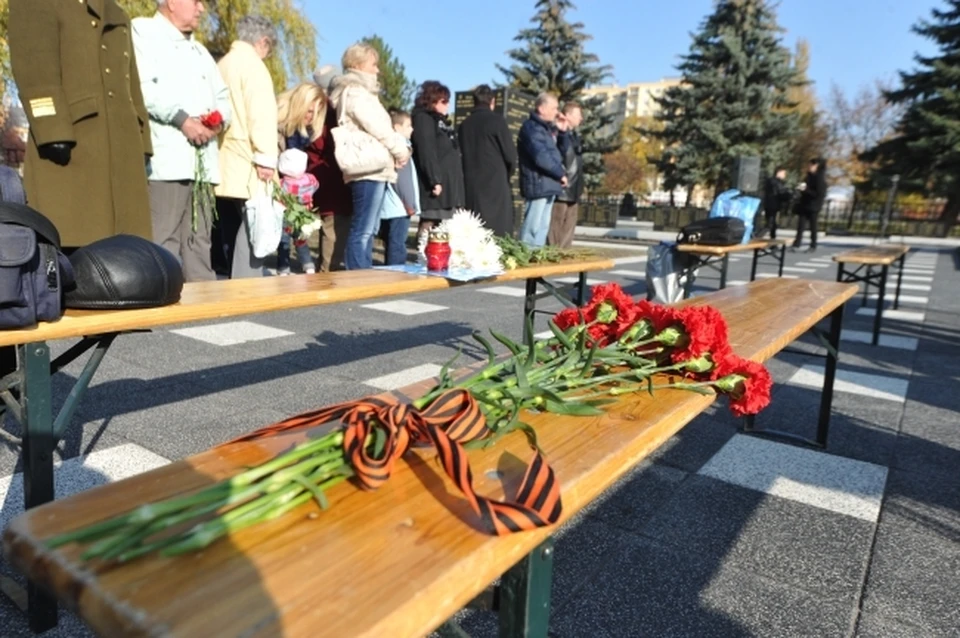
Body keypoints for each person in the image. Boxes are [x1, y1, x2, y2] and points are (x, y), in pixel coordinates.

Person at [9, 0, 153, 249]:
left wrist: (142, 138)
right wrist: (52, 127)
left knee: (129, 248)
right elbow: (34, 67)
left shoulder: (116, 11)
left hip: (122, 142)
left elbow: (132, 86)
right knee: (70, 240)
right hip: (72, 144)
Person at [133, 0, 232, 281]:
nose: (201, 9)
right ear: (172, 2)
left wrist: (217, 121)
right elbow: (142, 87)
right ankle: (158, 304)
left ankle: (204, 313)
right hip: (167, 159)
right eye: (196, 1)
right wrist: (183, 120)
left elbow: (224, 98)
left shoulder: (200, 51)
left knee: (200, 242)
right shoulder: (143, 32)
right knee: (162, 239)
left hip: (202, 163)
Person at [328, 43, 410, 270]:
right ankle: (358, 276)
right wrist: (400, 150)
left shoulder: (360, 93)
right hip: (368, 168)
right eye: (373, 64)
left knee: (368, 228)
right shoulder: (356, 92)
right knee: (363, 229)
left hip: (374, 168)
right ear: (357, 64)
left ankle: (362, 273)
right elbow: (379, 128)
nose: (377, 70)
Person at [215, 15, 278, 279]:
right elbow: (260, 115)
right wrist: (266, 157)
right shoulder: (253, 67)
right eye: (269, 49)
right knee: (254, 225)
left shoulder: (223, 63)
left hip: (223, 156)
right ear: (262, 41)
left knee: (230, 223)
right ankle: (246, 281)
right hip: (248, 156)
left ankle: (228, 276)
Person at [276, 83, 326, 274]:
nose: (311, 117)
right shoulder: (278, 123)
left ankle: (302, 264)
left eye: (315, 113)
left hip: (292, 193)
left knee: (298, 233)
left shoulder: (304, 133)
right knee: (284, 235)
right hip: (275, 183)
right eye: (309, 111)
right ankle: (283, 264)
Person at [309, 67, 354, 272]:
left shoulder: (317, 109)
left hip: (323, 176)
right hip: (333, 178)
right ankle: (327, 275)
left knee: (330, 227)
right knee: (333, 229)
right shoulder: (330, 110)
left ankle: (326, 270)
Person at [457, 84, 517, 237]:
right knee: (497, 231)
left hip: (471, 183)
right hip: (495, 183)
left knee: (476, 230)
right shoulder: (497, 121)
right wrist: (507, 173)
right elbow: (510, 155)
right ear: (492, 101)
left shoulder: (465, 125)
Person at [411, 81, 465, 238]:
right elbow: (426, 150)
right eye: (444, 101)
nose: (448, 105)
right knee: (429, 224)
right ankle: (423, 258)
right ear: (432, 100)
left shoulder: (441, 122)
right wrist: (434, 180)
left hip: (449, 186)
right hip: (434, 187)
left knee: (444, 229)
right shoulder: (424, 119)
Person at [517, 93, 567, 247]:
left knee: (542, 228)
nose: (557, 112)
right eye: (554, 108)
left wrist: (563, 133)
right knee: (532, 227)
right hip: (538, 184)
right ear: (541, 108)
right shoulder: (531, 128)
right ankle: (525, 260)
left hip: (548, 184)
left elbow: (560, 153)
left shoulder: (546, 130)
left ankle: (536, 261)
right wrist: (560, 174)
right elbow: (541, 157)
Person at [379, 110, 420, 265]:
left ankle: (389, 271)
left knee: (391, 241)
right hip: (400, 206)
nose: (412, 129)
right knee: (398, 243)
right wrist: (410, 204)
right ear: (397, 127)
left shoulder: (391, 146)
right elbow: (403, 181)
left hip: (391, 205)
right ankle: (396, 273)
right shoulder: (401, 148)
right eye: (408, 126)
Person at [547, 101, 584, 248]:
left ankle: (563, 256)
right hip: (562, 188)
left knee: (569, 226)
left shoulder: (574, 136)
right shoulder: (557, 133)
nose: (581, 118)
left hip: (574, 188)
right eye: (578, 115)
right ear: (567, 115)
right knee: (556, 226)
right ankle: (553, 256)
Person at [277, 148, 319, 274]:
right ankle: (308, 264)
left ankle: (283, 267)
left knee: (284, 242)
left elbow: (277, 194)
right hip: (302, 215)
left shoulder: (283, 183)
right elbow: (316, 186)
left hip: (286, 215)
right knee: (301, 240)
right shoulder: (310, 180)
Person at [791, 157, 827, 252]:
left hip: (814, 205)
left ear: (817, 166)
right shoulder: (808, 176)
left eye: (812, 165)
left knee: (813, 225)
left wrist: (806, 190)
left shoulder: (819, 178)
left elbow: (818, 193)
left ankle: (813, 244)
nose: (810, 167)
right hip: (804, 204)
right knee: (801, 225)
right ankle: (797, 243)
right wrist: (800, 189)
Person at [758, 166, 791, 239]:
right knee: (770, 225)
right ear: (778, 172)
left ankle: (773, 243)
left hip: (771, 205)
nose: (784, 175)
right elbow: (781, 193)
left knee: (773, 225)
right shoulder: (775, 182)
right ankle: (757, 236)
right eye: (783, 173)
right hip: (772, 205)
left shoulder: (773, 181)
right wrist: (790, 195)